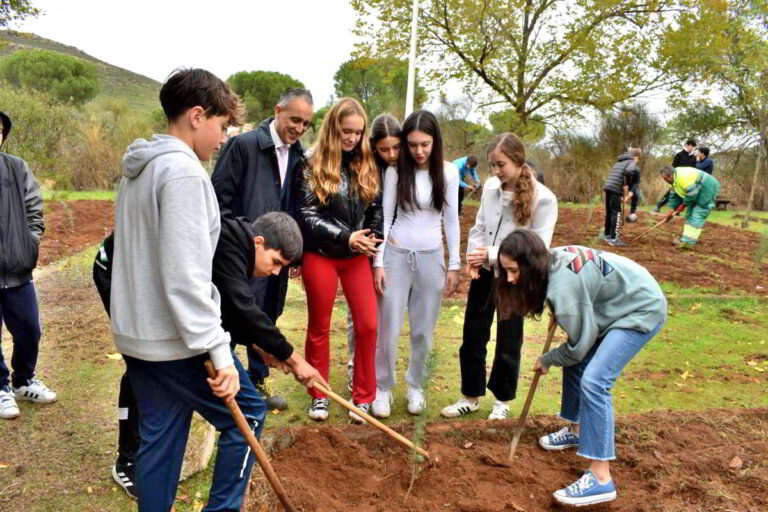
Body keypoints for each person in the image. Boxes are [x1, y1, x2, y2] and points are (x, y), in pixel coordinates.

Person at [93, 211, 326, 500]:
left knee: (165, 421)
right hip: (121, 281)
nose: (276, 272)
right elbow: (240, 307)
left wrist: (257, 346)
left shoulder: (233, 244)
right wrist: (293, 358)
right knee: (250, 412)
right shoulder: (228, 243)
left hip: (153, 301)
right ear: (259, 241)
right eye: (276, 262)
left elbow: (223, 310)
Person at [110, 68, 260, 511]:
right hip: (178, 342)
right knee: (248, 412)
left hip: (139, 338)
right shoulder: (183, 175)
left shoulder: (138, 169)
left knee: (160, 437)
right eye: (222, 125)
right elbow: (186, 275)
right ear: (197, 115)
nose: (223, 138)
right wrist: (218, 352)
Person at [496, 230, 667, 507]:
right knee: (577, 365)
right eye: (506, 272)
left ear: (531, 265)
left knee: (595, 381)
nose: (511, 279)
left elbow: (579, 348)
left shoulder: (564, 291)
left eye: (514, 271)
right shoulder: (549, 258)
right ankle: (578, 432)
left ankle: (600, 479)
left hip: (640, 308)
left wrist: (548, 359)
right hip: (616, 303)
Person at [440, 133, 557, 421]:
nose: (495, 172)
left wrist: (491, 255)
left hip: (516, 279)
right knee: (473, 337)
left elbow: (538, 249)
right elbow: (479, 226)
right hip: (485, 274)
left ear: (518, 161)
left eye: (500, 164)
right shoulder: (491, 188)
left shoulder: (545, 199)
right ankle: (470, 396)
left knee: (509, 341)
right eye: (492, 165)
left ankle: (502, 401)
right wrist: (473, 257)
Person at [212, 88, 314, 411]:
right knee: (238, 311)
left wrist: (292, 254)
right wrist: (243, 241)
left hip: (275, 253)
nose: (298, 129)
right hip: (245, 252)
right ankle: (227, 373)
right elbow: (217, 203)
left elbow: (297, 205)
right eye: (295, 119)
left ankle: (258, 381)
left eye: (306, 124)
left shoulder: (299, 156)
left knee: (268, 311)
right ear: (277, 109)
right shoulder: (243, 147)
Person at [294, 97, 383, 422]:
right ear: (334, 128)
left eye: (358, 133)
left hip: (357, 255)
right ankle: (319, 394)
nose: (352, 139)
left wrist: (371, 237)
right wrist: (346, 236)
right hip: (321, 254)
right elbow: (305, 214)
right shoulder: (310, 161)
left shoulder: (367, 162)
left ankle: (363, 397)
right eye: (347, 131)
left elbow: (376, 208)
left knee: (368, 324)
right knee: (320, 325)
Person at [370, 110, 460, 418]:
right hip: (396, 254)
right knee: (389, 326)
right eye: (412, 145)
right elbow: (386, 216)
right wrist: (378, 262)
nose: (418, 151)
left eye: (425, 144)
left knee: (423, 329)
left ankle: (416, 385)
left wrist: (454, 264)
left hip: (431, 257)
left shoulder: (448, 173)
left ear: (435, 142)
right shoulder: (396, 172)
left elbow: (451, 219)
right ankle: (384, 388)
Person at [0, 110, 56, 421]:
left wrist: (30, 241)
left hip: (18, 269)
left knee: (29, 330)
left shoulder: (16, 167)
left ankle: (23, 381)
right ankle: (0, 388)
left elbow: (34, 208)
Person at [345, 113, 402, 393]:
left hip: (393, 249)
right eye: (384, 149)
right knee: (359, 316)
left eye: (396, 147)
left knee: (382, 315)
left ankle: (376, 373)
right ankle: (354, 368)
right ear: (374, 147)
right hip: (364, 244)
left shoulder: (405, 168)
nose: (391, 154)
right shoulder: (362, 164)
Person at [658, 165, 720, 246]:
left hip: (707, 188)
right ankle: (687, 238)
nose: (664, 181)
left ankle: (688, 242)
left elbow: (692, 193)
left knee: (698, 213)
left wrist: (683, 205)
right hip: (697, 189)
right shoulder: (674, 178)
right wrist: (671, 210)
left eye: (665, 179)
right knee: (689, 214)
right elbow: (674, 195)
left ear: (670, 176)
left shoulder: (683, 178)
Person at [601, 148, 640, 247]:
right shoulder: (632, 161)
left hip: (608, 187)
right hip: (616, 189)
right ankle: (614, 239)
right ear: (636, 157)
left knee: (609, 212)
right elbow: (629, 172)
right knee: (616, 213)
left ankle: (607, 235)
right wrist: (626, 185)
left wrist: (629, 190)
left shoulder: (620, 162)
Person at [654, 139, 697, 212]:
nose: (693, 149)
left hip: (687, 180)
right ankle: (658, 206)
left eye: (694, 148)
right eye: (693, 147)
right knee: (671, 193)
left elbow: (694, 169)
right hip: (677, 178)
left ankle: (677, 211)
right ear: (689, 146)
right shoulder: (679, 155)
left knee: (682, 195)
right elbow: (673, 167)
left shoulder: (693, 157)